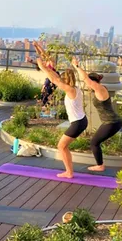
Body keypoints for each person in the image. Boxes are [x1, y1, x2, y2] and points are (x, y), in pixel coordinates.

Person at [34, 41, 88, 179]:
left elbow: (55, 79)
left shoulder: (70, 90)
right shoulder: (75, 89)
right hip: (81, 121)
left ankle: (69, 172)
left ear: (66, 80)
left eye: (63, 78)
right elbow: (56, 77)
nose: (61, 80)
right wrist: (74, 66)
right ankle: (69, 171)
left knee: (61, 146)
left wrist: (42, 66)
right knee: (63, 146)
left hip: (78, 123)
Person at [72, 57, 122, 172]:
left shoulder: (100, 89)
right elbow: (87, 80)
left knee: (94, 142)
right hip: (109, 122)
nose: (87, 86)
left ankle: (100, 165)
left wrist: (76, 66)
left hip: (112, 122)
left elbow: (85, 79)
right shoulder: (100, 89)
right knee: (95, 141)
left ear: (93, 82)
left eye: (89, 83)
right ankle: (100, 164)